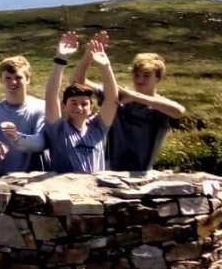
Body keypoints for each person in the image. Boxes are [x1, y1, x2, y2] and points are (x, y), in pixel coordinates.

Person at [70, 32, 187, 171]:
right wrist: (88, 56)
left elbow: (179, 111)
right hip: (109, 172)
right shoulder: (120, 96)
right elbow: (78, 84)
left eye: (146, 75)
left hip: (141, 173)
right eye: (136, 75)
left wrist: (135, 96)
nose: (140, 80)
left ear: (158, 77)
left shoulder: (160, 106)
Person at [15, 31, 119, 173]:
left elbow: (112, 100)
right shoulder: (58, 129)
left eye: (84, 104)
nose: (79, 107)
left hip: (95, 191)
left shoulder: (98, 127)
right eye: (73, 103)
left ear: (91, 108)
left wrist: (106, 66)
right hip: (64, 191)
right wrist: (61, 59)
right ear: (64, 106)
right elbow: (51, 96)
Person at [0, 56, 48, 175]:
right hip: (0, 179)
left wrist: (17, 137)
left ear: (28, 79)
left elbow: (41, 143)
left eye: (18, 77)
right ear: (1, 80)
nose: (13, 82)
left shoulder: (41, 108)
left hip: (34, 180)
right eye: (8, 78)